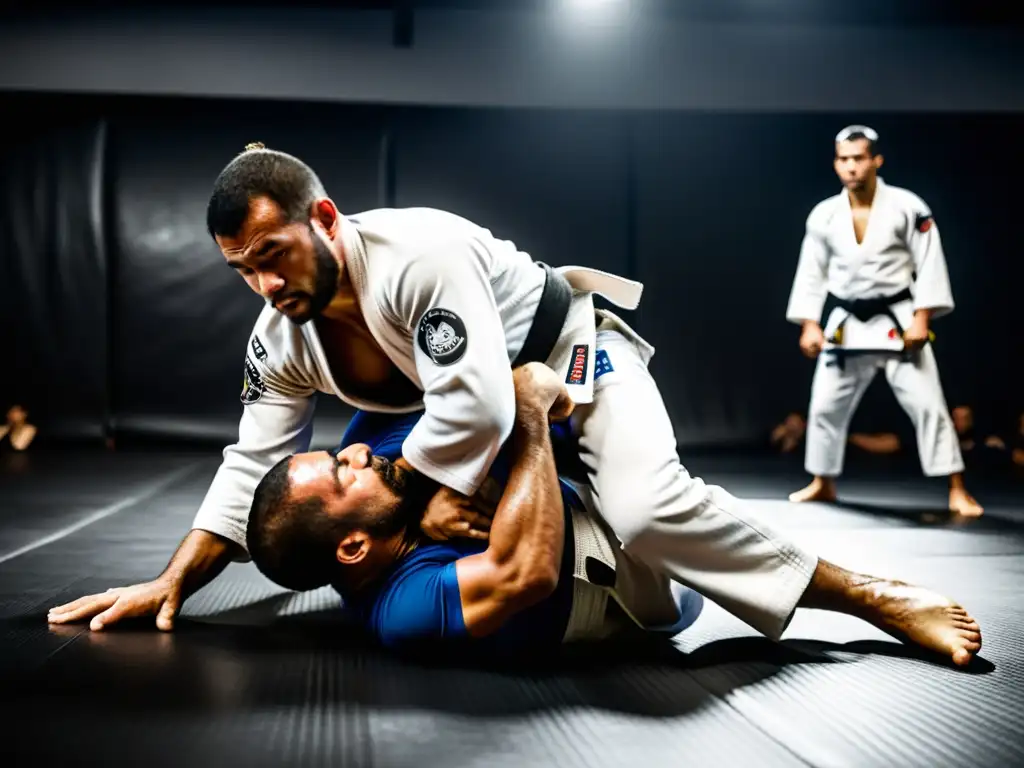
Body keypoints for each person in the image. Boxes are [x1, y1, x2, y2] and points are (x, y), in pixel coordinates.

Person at [44, 144, 871, 648]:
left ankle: (870, 597)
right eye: (241, 270)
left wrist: (423, 499)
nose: (263, 284)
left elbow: (481, 406)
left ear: (324, 218)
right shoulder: (279, 337)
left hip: (571, 359)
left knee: (649, 506)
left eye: (273, 254)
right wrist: (174, 583)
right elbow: (253, 462)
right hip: (492, 413)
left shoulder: (417, 255)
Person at [245, 363, 982, 666]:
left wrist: (457, 475)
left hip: (587, 370)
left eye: (339, 456)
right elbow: (527, 572)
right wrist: (526, 419)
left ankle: (670, 484)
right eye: (343, 477)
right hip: (630, 591)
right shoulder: (398, 611)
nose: (358, 456)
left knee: (559, 400)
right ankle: (874, 596)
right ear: (351, 550)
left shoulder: (371, 439)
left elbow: (483, 368)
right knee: (651, 513)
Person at [785, 125, 983, 517]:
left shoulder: (908, 207)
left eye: (859, 158)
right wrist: (810, 323)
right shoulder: (824, 215)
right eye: (844, 159)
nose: (851, 167)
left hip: (899, 319)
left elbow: (929, 263)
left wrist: (922, 317)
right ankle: (823, 482)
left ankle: (957, 488)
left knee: (929, 405)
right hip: (846, 321)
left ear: (876, 160)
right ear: (836, 163)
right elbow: (812, 271)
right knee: (824, 406)